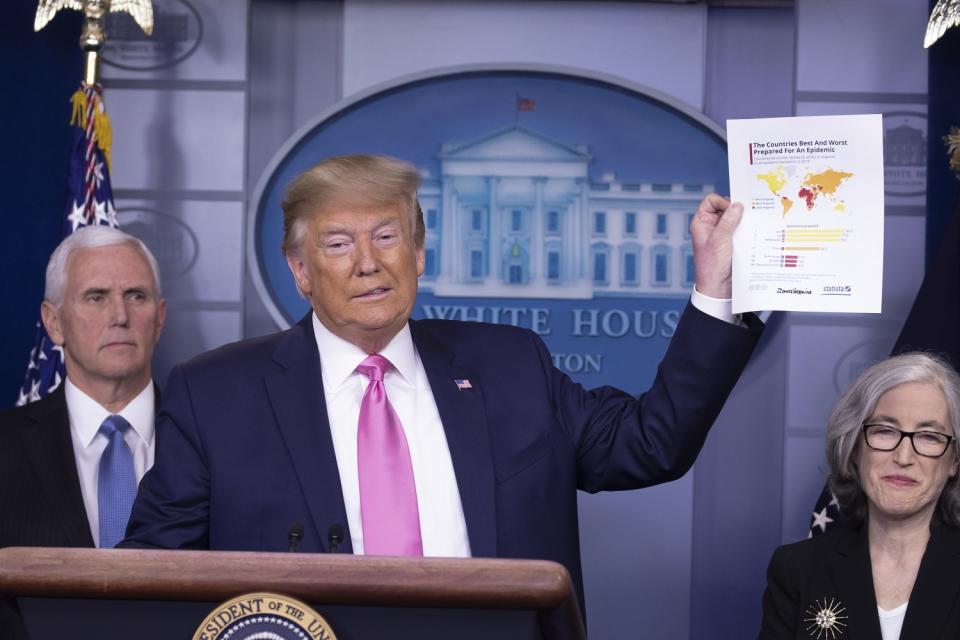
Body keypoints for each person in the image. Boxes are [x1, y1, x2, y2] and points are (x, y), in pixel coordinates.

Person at [122, 154, 762, 616]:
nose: (368, 262)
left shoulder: (510, 365)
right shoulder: (216, 396)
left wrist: (716, 289)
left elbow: (653, 443)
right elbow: (148, 580)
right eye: (339, 243)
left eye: (387, 236)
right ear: (300, 270)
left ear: (420, 253)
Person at [0, 225, 166, 637]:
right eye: (96, 297)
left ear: (159, 318)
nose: (120, 316)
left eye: (136, 296)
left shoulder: (214, 442)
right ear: (54, 322)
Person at [759, 353, 960, 639]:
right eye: (884, 431)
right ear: (854, 446)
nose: (904, 457)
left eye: (929, 436)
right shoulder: (797, 570)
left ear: (954, 461)